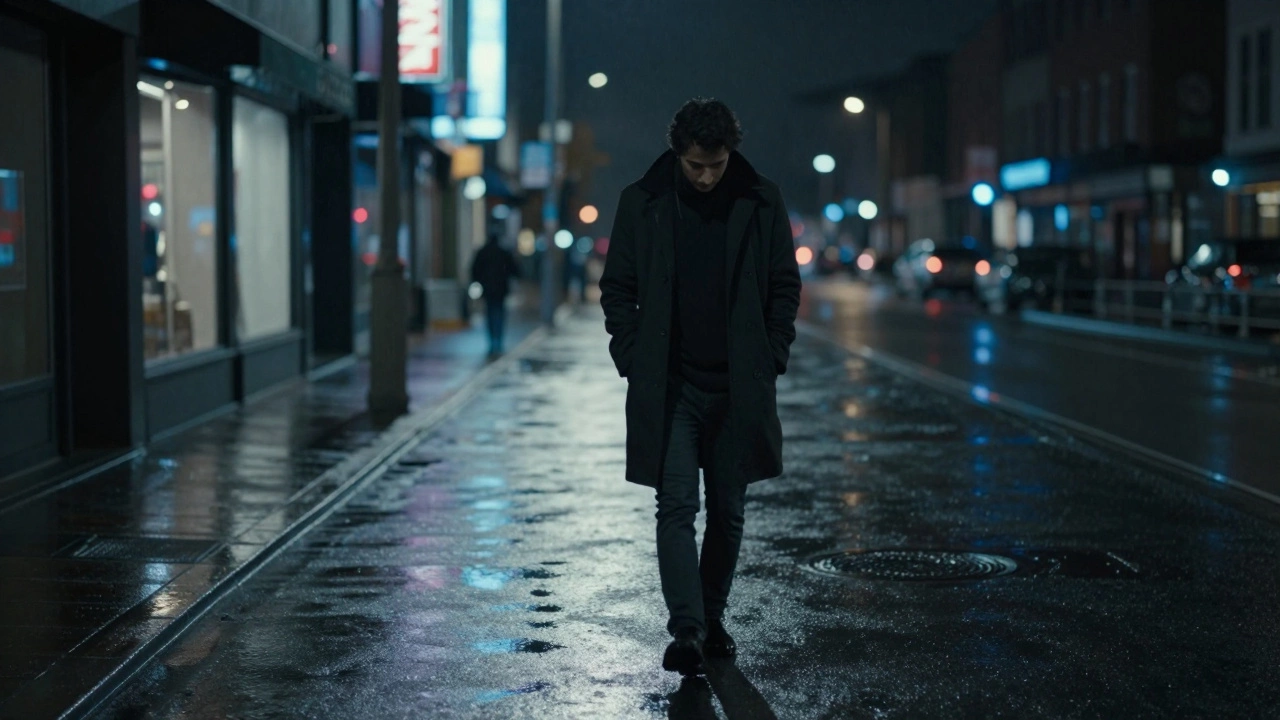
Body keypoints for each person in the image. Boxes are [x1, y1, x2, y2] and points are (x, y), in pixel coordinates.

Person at [599, 98, 801, 676]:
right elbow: (618, 289)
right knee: (676, 506)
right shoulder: (643, 203)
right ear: (678, 153)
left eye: (715, 164)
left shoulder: (761, 200)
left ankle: (713, 619)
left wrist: (772, 353)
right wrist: (634, 358)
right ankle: (686, 630)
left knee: (729, 511)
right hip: (674, 387)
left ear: (729, 153)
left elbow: (784, 284)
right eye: (695, 166)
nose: (707, 176)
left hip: (739, 387)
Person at [470, 230, 521, 357]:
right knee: (499, 314)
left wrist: (479, 281)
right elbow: (514, 269)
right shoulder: (503, 252)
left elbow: (474, 270)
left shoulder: (483, 252)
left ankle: (493, 342)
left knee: (490, 314)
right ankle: (497, 341)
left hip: (488, 289)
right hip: (500, 289)